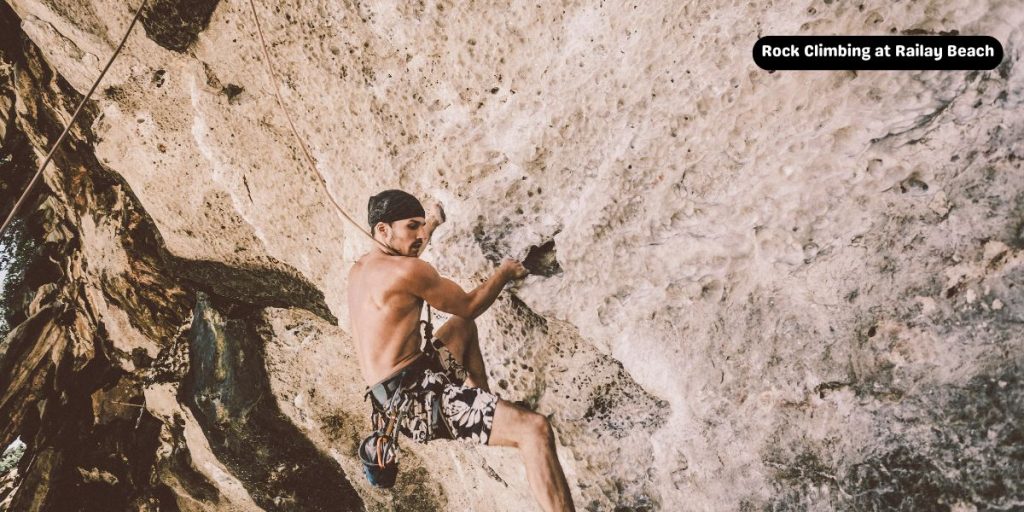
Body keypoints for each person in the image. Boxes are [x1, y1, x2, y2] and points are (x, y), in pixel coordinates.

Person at [347, 189, 575, 512]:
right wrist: (505, 272)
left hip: (392, 401)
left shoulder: (359, 270)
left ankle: (482, 402)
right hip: (419, 403)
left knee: (461, 329)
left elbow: (410, 271)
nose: (420, 235)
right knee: (534, 430)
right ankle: (485, 418)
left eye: (421, 227)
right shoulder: (409, 272)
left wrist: (433, 224)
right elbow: (469, 305)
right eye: (412, 227)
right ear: (383, 230)